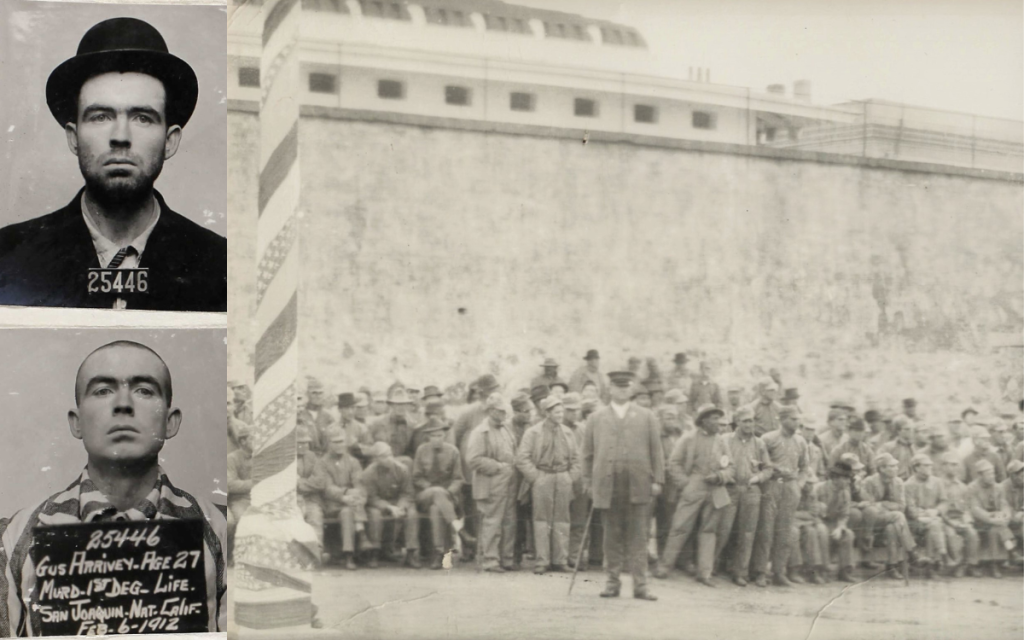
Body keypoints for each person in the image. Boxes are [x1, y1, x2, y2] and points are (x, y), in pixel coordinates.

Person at [0, 341, 226, 635]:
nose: (123, 404)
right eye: (103, 390)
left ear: (170, 422)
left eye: (144, 390)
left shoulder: (227, 532)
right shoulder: (12, 538)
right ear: (76, 422)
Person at [0, 18, 225, 311]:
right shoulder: (8, 255)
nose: (120, 137)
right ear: (74, 138)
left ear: (170, 140)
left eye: (143, 117)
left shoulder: (221, 265)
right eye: (100, 116)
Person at [583, 370, 664, 601]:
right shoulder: (596, 418)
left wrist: (657, 479)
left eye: (626, 386)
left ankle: (641, 586)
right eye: (617, 387)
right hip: (609, 486)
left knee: (639, 537)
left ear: (631, 389)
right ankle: (612, 584)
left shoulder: (646, 416)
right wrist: (588, 482)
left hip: (638, 485)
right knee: (611, 537)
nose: (622, 390)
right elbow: (587, 454)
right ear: (610, 389)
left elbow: (656, 451)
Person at [516, 396, 581, 574]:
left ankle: (560, 560)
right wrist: (536, 478)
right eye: (556, 411)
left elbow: (577, 460)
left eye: (561, 411)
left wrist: (569, 477)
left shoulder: (568, 433)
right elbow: (522, 458)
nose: (560, 415)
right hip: (542, 477)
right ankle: (542, 561)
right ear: (547, 413)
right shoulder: (533, 432)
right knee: (541, 521)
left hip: (562, 478)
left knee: (562, 521)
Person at [750, 405, 808, 587]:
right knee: (766, 530)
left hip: (790, 488)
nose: (796, 422)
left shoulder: (801, 441)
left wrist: (799, 484)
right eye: (793, 419)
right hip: (772, 485)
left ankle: (779, 572)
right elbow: (758, 462)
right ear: (782, 420)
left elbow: (805, 467)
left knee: (785, 531)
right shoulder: (768, 439)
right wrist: (775, 469)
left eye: (798, 419)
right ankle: (759, 572)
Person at [716, 406, 771, 586]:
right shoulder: (725, 440)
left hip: (750, 491)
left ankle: (740, 572)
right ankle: (714, 564)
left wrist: (757, 478)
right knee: (723, 528)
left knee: (747, 533)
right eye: (745, 421)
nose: (749, 424)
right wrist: (725, 476)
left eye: (752, 420)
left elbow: (768, 468)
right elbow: (717, 462)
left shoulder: (759, 443)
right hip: (730, 489)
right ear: (737, 422)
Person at [465, 394, 520, 573]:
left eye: (505, 410)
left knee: (509, 522)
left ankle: (506, 559)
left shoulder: (506, 429)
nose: (504, 414)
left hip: (508, 482)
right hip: (490, 484)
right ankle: (490, 560)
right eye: (499, 410)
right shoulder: (480, 432)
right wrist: (497, 467)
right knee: (492, 522)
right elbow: (473, 459)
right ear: (490, 411)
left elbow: (513, 451)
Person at [411, 418, 465, 569]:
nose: (437, 439)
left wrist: (447, 492)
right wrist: (430, 488)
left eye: (440, 435)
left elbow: (458, 479)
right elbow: (416, 477)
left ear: (444, 436)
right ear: (428, 437)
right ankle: (460, 531)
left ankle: (438, 552)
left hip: (446, 497)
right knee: (436, 492)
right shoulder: (422, 450)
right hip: (425, 495)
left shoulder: (453, 451)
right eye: (433, 436)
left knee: (436, 509)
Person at [859, 452, 919, 579]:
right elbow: (869, 505)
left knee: (892, 528)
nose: (896, 469)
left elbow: (902, 506)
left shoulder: (898, 482)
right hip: (872, 522)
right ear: (881, 469)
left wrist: (882, 504)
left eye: (896, 466)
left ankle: (891, 566)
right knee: (898, 516)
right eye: (891, 466)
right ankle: (911, 551)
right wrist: (886, 505)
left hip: (890, 519)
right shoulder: (869, 482)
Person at [362, 442, 419, 568]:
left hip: (398, 501)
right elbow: (371, 498)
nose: (388, 459)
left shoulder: (402, 469)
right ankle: (374, 553)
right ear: (376, 459)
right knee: (374, 515)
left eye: (390, 455)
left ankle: (411, 553)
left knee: (411, 513)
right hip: (378, 504)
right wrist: (388, 507)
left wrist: (401, 506)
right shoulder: (368, 473)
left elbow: (408, 493)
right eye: (383, 456)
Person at [321, 429, 364, 569]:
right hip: (331, 504)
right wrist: (344, 494)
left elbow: (359, 483)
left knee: (347, 512)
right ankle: (361, 531)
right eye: (336, 442)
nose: (340, 445)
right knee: (347, 509)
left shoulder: (353, 461)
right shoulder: (322, 463)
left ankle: (348, 554)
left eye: (342, 441)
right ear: (329, 444)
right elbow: (327, 488)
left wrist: (354, 494)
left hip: (351, 503)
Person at [967, 459, 1014, 577]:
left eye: (993, 473)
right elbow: (975, 509)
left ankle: (994, 563)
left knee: (994, 530)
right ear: (980, 475)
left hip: (996, 521)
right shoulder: (972, 488)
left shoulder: (998, 487)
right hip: (979, 521)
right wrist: (991, 518)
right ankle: (1010, 546)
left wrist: (1005, 515)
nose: (992, 476)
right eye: (988, 474)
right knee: (996, 526)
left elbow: (1004, 504)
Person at [904, 454, 949, 578]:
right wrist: (926, 514)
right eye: (926, 465)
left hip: (933, 519)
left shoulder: (937, 482)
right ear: (916, 468)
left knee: (933, 528)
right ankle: (940, 555)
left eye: (930, 465)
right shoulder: (908, 485)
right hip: (915, 522)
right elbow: (911, 510)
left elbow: (944, 501)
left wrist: (936, 511)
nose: (930, 467)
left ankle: (931, 566)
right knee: (935, 525)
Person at [938, 451, 980, 577]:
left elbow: (967, 507)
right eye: (950, 465)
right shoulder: (938, 484)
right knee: (951, 535)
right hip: (944, 520)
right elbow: (938, 508)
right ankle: (956, 564)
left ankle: (968, 565)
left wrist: (966, 521)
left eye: (956, 465)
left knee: (972, 533)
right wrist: (951, 523)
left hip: (960, 519)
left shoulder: (962, 486)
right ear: (943, 466)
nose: (954, 468)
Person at [818, 459, 858, 582]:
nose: (848, 482)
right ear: (835, 478)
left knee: (848, 534)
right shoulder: (820, 489)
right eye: (845, 478)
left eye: (848, 479)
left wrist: (840, 527)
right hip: (817, 521)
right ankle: (822, 570)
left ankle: (845, 570)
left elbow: (844, 514)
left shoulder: (846, 492)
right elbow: (812, 510)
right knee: (822, 532)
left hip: (834, 523)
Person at [563, 393, 591, 569]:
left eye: (577, 410)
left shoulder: (583, 430)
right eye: (570, 410)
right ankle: (559, 556)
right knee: (560, 521)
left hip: (580, 483)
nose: (574, 414)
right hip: (561, 480)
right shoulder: (555, 428)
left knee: (579, 521)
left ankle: (574, 556)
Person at [369, 387, 417, 469]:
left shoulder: (412, 425)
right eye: (397, 404)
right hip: (381, 462)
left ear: (407, 405)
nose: (400, 407)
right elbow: (369, 444)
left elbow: (413, 451)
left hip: (402, 464)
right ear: (391, 405)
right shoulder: (378, 423)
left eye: (403, 404)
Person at [296, 428, 327, 550]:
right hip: (290, 500)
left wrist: (299, 484)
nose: (304, 446)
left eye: (306, 442)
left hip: (309, 499)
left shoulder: (312, 457)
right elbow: (285, 482)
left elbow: (320, 481)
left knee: (315, 516)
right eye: (300, 443)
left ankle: (316, 551)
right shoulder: (284, 458)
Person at [227, 425, 253, 559]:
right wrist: (255, 483)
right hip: (239, 500)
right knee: (243, 520)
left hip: (261, 498)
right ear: (243, 441)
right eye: (253, 439)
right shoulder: (232, 458)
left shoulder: (263, 457)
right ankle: (236, 555)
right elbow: (230, 485)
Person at [299, 377, 335, 456]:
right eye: (314, 393)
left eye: (320, 393)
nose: (318, 396)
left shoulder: (329, 417)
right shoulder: (300, 416)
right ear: (307, 394)